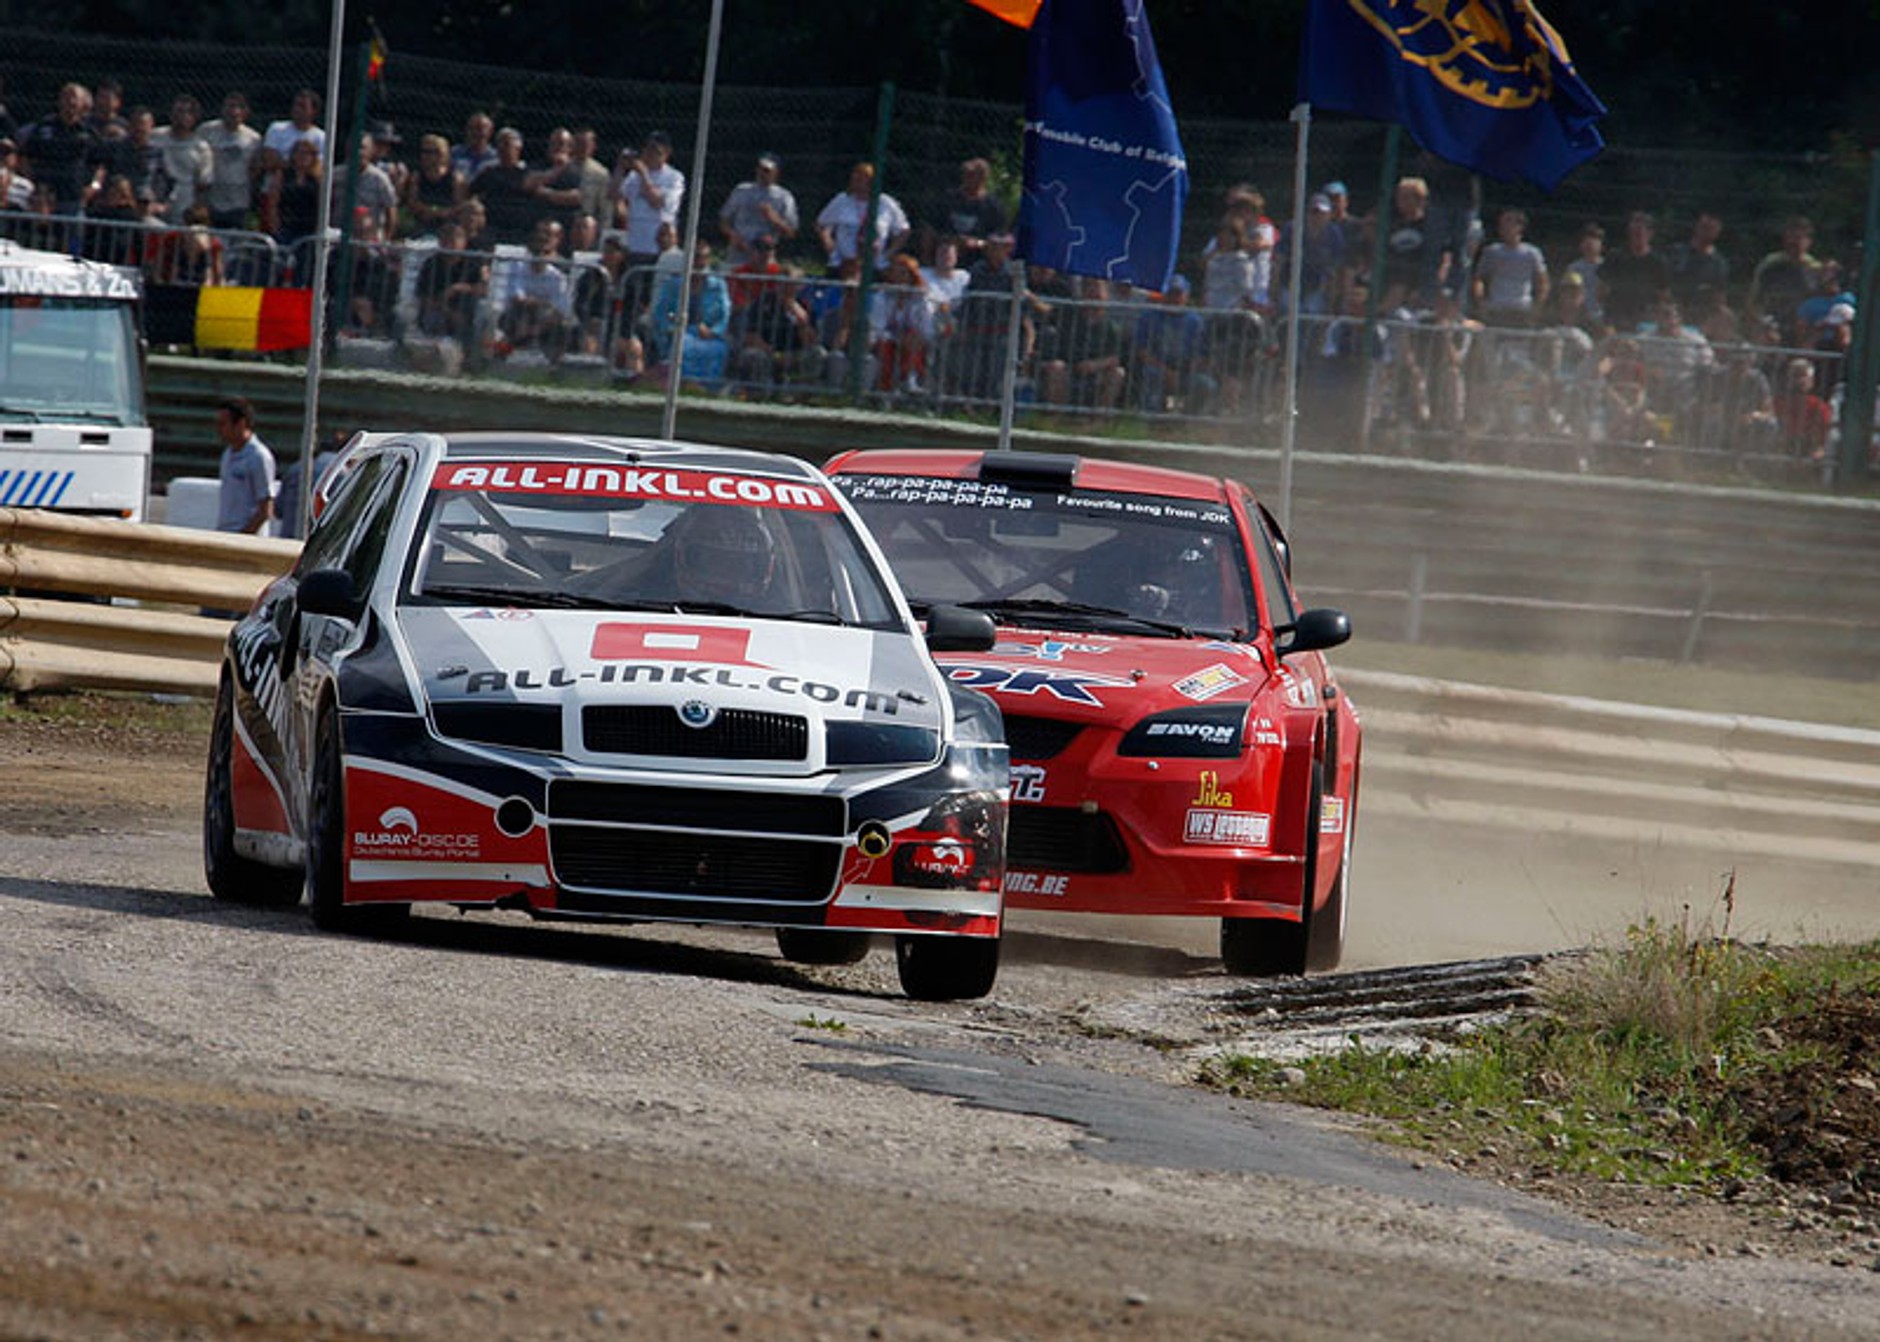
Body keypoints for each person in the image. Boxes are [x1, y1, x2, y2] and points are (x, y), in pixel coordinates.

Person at [817, 162, 909, 274]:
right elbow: (822, 224)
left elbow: (903, 231)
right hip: (843, 263)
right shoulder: (842, 200)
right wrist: (830, 245)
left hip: (875, 264)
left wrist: (888, 253)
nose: (857, 183)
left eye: (862, 179)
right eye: (855, 179)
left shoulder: (886, 203)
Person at [718, 152, 798, 267]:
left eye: (767, 171)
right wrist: (733, 236)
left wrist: (774, 219)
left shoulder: (783, 197)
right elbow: (724, 220)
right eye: (760, 169)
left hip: (764, 257)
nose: (762, 174)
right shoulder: (741, 191)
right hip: (738, 254)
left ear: (776, 172)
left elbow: (791, 232)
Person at [1471, 207, 1549, 326]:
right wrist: (1481, 302)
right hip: (1496, 308)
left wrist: (1537, 307)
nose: (1503, 228)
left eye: (1508, 223)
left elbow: (1543, 281)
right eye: (1501, 224)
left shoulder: (1532, 253)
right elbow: (1479, 278)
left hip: (1522, 308)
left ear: (1520, 227)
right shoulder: (1491, 251)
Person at [1598, 211, 1670, 334]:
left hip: (1646, 321)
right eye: (1633, 232)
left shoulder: (1658, 262)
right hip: (1615, 318)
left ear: (1650, 234)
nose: (1636, 236)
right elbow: (1601, 290)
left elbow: (1663, 295)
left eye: (1640, 233)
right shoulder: (1615, 257)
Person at [215, 396, 276, 535]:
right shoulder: (228, 454)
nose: (219, 429)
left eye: (223, 424)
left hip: (246, 538)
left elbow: (265, 509)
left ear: (241, 424)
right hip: (225, 533)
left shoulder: (258, 457)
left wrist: (244, 536)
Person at [200, 92, 261, 231]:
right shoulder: (207, 130)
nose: (234, 111)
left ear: (246, 112)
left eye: (239, 107)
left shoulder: (253, 138)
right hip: (212, 198)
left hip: (239, 199)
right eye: (230, 106)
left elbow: (255, 168)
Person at [930, 156, 1006, 260]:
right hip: (946, 255)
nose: (966, 178)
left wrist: (976, 243)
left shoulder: (993, 206)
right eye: (965, 174)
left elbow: (998, 239)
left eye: (972, 175)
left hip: (979, 260)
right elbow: (932, 229)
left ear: (983, 178)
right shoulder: (948, 199)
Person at [151, 95, 213, 220]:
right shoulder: (155, 136)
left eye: (187, 113)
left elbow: (204, 182)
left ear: (194, 118)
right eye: (178, 111)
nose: (181, 117)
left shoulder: (201, 147)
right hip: (155, 197)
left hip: (184, 201)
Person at [403, 133, 463, 237]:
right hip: (421, 219)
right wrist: (430, 211)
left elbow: (459, 205)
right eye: (425, 152)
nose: (428, 156)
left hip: (448, 221)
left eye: (434, 152)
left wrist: (440, 213)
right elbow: (412, 202)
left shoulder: (455, 178)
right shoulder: (417, 176)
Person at [450, 113, 498, 183]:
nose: (475, 132)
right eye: (471, 128)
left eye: (480, 129)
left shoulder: (497, 157)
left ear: (490, 132)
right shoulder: (453, 153)